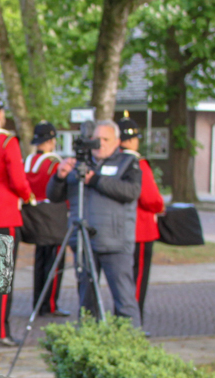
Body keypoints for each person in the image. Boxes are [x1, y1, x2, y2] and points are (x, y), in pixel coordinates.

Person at [47, 120, 143, 326]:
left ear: (117, 141)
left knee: (124, 299)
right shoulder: (78, 164)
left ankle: (131, 344)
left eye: (106, 139)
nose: (100, 144)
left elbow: (131, 192)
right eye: (96, 139)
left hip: (115, 243)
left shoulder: (128, 163)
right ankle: (89, 341)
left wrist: (95, 180)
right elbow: (53, 196)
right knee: (86, 303)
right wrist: (60, 177)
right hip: (83, 242)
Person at [0, 96, 32, 346]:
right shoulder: (8, 141)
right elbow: (19, 181)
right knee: (2, 277)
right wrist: (28, 197)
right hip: (5, 211)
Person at [118, 113, 165, 322]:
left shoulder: (112, 161)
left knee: (122, 279)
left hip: (117, 228)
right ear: (131, 140)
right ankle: (134, 321)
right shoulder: (138, 163)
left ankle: (122, 318)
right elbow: (151, 198)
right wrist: (160, 207)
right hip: (141, 229)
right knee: (137, 279)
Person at [24, 121, 69, 317]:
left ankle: (38, 302)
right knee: (55, 261)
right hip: (55, 216)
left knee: (40, 261)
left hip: (36, 216)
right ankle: (50, 304)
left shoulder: (28, 161)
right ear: (51, 141)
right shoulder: (54, 164)